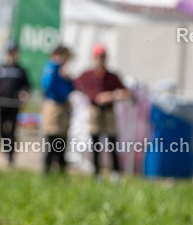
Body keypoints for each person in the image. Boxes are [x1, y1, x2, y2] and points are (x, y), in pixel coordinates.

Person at [75, 43, 131, 180]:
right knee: (95, 142)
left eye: (103, 56)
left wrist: (110, 96)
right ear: (94, 58)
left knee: (112, 141)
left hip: (109, 111)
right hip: (94, 110)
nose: (101, 59)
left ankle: (115, 173)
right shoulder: (87, 75)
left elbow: (125, 93)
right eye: (98, 57)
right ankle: (97, 173)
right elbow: (75, 85)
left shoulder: (112, 76)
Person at [0, 42, 31, 167]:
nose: (11, 55)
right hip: (2, 104)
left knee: (11, 130)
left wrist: (24, 93)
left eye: (13, 52)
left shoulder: (21, 70)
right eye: (9, 52)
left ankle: (10, 155)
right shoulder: (1, 69)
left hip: (14, 105)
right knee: (1, 130)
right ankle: (6, 151)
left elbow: (27, 86)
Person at [40, 45, 74, 174]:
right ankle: (47, 171)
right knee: (52, 139)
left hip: (62, 109)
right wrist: (65, 95)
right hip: (54, 107)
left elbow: (70, 86)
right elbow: (48, 85)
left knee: (61, 141)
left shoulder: (61, 70)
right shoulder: (52, 67)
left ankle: (60, 170)